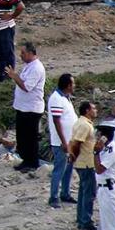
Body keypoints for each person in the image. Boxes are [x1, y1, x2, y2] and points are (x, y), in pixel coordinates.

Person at [5, 41, 45, 172]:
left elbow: (27, 87)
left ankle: (32, 163)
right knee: (22, 137)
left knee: (30, 138)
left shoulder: (37, 68)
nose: (20, 55)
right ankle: (25, 160)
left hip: (32, 109)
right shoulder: (29, 66)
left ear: (30, 53)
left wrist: (14, 76)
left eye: (23, 53)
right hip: (23, 107)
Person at [47, 73, 77, 208]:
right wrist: (63, 142)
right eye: (73, 83)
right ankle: (53, 197)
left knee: (68, 169)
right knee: (59, 169)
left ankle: (65, 193)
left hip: (70, 141)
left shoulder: (65, 98)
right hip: (61, 142)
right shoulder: (56, 98)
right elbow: (56, 121)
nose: (74, 86)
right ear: (68, 85)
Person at [71, 101, 99, 230]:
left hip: (82, 162)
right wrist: (74, 156)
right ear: (87, 110)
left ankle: (81, 218)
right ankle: (86, 222)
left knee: (83, 192)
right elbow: (76, 143)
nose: (96, 110)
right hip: (86, 162)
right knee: (89, 193)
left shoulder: (80, 122)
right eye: (93, 108)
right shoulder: (85, 125)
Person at [95, 122, 115, 230]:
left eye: (98, 135)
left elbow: (99, 169)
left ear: (104, 137)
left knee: (114, 218)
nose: (97, 138)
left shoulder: (113, 150)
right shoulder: (105, 148)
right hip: (103, 187)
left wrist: (96, 152)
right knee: (105, 219)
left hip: (109, 187)